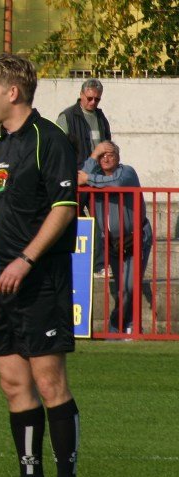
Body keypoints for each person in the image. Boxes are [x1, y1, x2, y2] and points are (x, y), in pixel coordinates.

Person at [0, 53, 81, 477]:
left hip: (39, 281)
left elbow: (63, 208)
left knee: (49, 380)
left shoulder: (50, 140)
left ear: (12, 92)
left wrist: (25, 260)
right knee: (13, 382)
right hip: (1, 283)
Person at [79, 141, 153, 334]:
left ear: (118, 157)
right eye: (102, 155)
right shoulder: (94, 176)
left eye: (110, 154)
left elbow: (117, 183)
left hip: (136, 237)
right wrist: (93, 154)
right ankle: (128, 327)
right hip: (112, 242)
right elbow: (80, 179)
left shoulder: (127, 172)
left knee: (128, 286)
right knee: (122, 289)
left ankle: (114, 328)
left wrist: (89, 178)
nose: (106, 158)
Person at [56, 79, 112, 276]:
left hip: (97, 179)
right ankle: (72, 263)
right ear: (81, 95)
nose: (93, 102)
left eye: (97, 99)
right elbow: (58, 148)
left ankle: (99, 265)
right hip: (76, 178)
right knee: (71, 221)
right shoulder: (68, 117)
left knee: (100, 223)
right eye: (90, 98)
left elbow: (108, 144)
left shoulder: (100, 117)